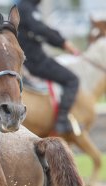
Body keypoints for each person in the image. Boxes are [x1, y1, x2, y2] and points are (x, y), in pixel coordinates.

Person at [17, 0, 79, 134]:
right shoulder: (26, 8)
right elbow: (40, 29)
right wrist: (63, 43)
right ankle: (62, 121)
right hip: (35, 61)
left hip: (33, 59)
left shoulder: (26, 7)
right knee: (72, 79)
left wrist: (61, 43)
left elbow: (41, 31)